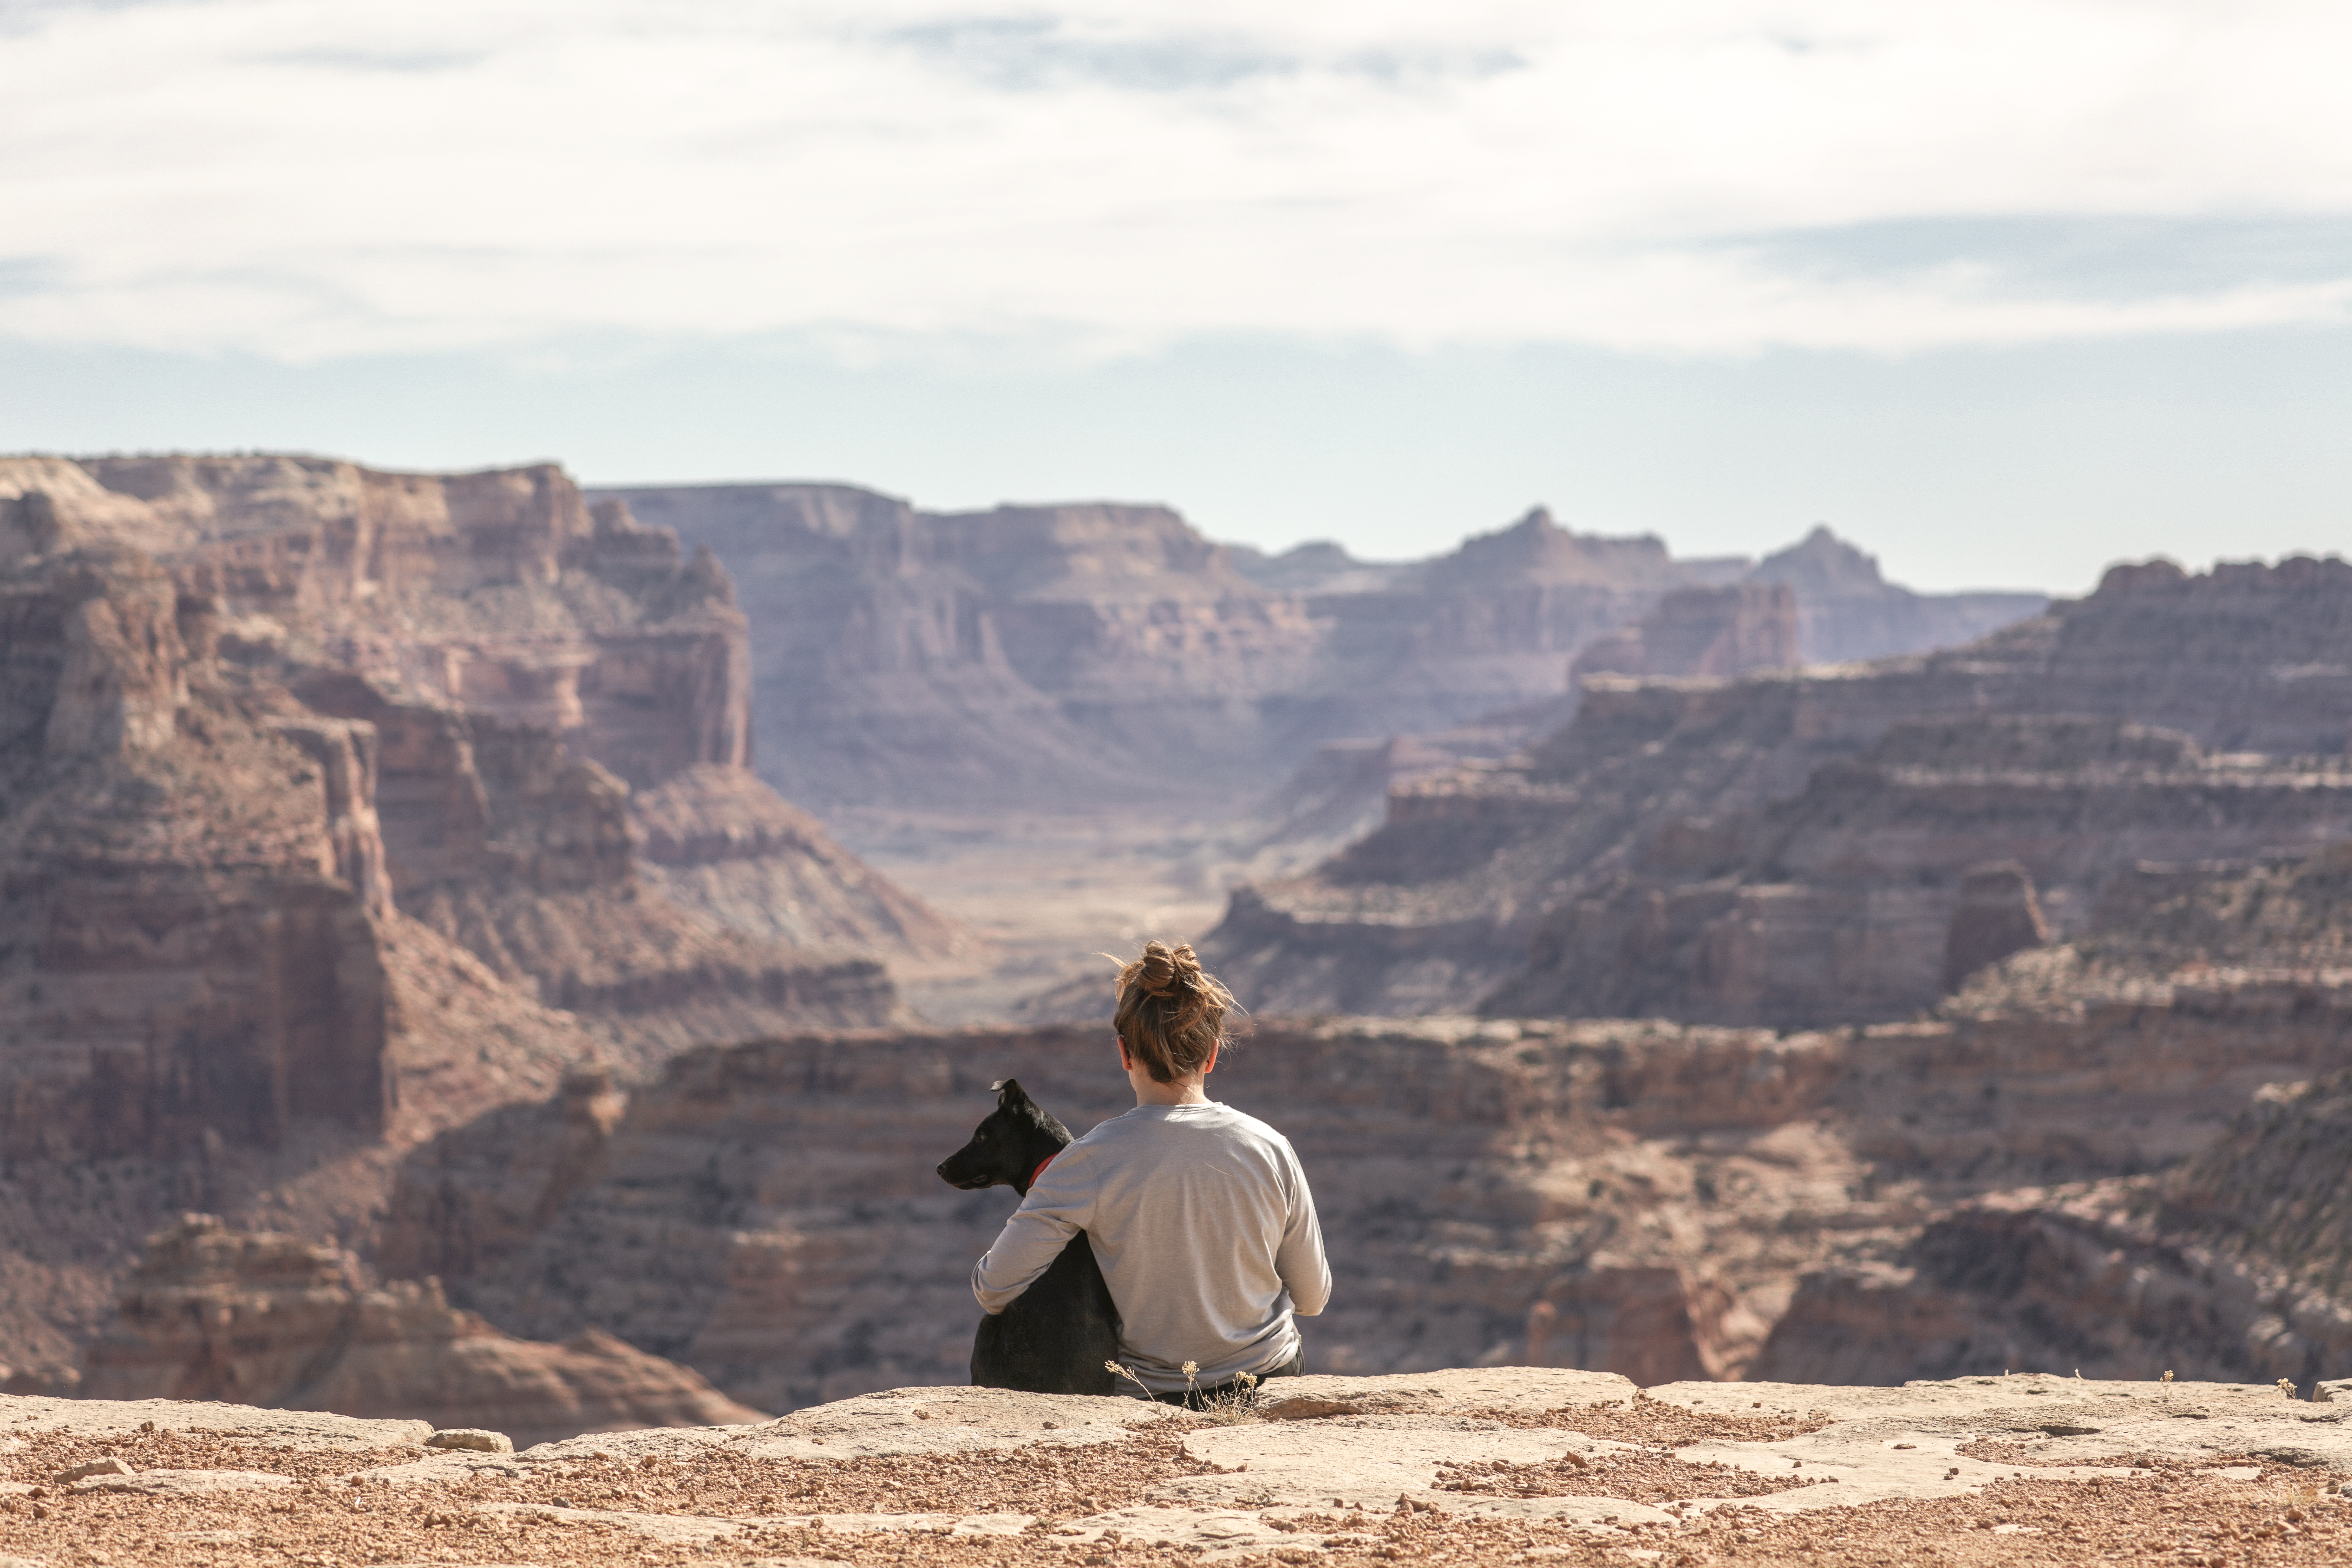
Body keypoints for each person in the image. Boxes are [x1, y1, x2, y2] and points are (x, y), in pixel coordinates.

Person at [971, 940, 1330, 1406]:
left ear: (1124, 1053)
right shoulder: (1271, 1148)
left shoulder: (1086, 1163)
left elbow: (992, 1288)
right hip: (1268, 1383)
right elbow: (1313, 1298)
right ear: (1213, 1054)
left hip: (1154, 1397)